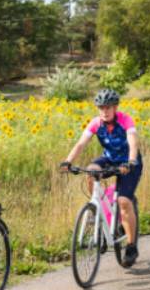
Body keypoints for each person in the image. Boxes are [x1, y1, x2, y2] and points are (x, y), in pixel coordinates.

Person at [60, 88, 143, 267]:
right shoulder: (96, 123)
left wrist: (131, 161)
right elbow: (81, 143)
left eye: (108, 107)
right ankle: (98, 209)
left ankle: (130, 245)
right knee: (91, 170)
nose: (104, 111)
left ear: (115, 108)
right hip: (109, 159)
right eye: (101, 108)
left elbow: (133, 141)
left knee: (123, 201)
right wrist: (68, 161)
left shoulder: (125, 120)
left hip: (129, 163)